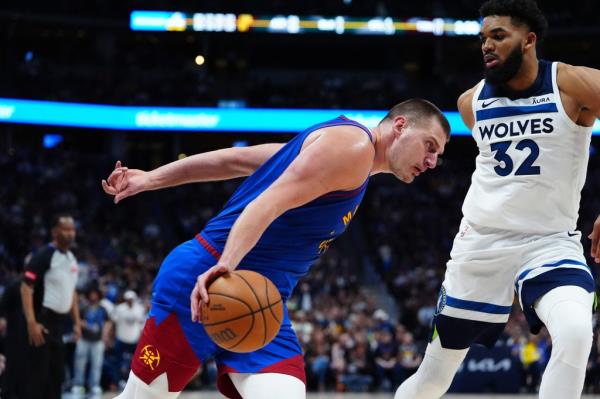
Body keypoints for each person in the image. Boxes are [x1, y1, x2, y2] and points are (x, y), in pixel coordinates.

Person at [101, 99, 450, 399]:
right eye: (429, 145)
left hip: (259, 303)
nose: (432, 161)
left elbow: (234, 161)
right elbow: (267, 203)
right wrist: (225, 266)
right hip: (206, 279)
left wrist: (150, 179)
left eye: (438, 153)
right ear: (400, 126)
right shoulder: (353, 149)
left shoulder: (344, 151)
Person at [394, 1, 600, 399]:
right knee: (434, 377)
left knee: (575, 330)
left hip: (549, 241)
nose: (487, 45)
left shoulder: (572, 84)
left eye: (499, 36)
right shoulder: (470, 103)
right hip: (481, 245)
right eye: (483, 38)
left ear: (529, 40)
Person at [20, 214, 82, 399]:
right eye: (65, 229)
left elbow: (72, 292)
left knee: (56, 377)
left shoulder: (71, 258)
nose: (70, 233)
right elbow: (25, 287)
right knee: (39, 377)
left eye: (72, 229)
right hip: (43, 321)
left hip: (60, 324)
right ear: (54, 231)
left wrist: (77, 322)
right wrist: (31, 322)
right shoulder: (44, 255)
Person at [71, 286, 112, 399]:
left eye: (95, 294)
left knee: (96, 365)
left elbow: (108, 322)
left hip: (97, 341)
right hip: (84, 339)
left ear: (98, 295)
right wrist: (82, 325)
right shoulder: (84, 307)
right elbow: (76, 319)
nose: (93, 296)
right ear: (89, 295)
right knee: (79, 364)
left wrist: (105, 334)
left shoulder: (102, 309)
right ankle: (78, 384)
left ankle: (94, 385)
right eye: (91, 294)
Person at [110, 290, 147, 389]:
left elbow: (142, 325)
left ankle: (135, 382)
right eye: (128, 299)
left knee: (136, 362)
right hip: (121, 339)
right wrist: (111, 337)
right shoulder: (119, 309)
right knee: (118, 362)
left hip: (134, 340)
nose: (130, 301)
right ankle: (118, 381)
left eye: (131, 299)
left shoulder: (139, 309)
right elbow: (113, 322)